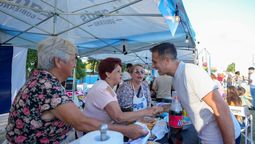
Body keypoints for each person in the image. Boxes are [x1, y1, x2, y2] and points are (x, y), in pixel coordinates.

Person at [5, 37, 148, 143]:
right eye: (74, 59)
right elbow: (81, 122)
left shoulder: (42, 80)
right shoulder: (46, 86)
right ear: (58, 61)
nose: (75, 65)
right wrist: (127, 130)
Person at [150, 42, 240, 144]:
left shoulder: (190, 72)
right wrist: (163, 108)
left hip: (223, 140)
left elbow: (220, 107)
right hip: (206, 137)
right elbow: (183, 103)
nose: (153, 66)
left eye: (155, 62)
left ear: (166, 60)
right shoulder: (175, 79)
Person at [84, 58, 162, 125]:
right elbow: (119, 117)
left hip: (103, 130)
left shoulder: (106, 87)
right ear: (108, 74)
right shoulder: (102, 89)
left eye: (142, 72)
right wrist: (146, 112)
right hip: (94, 134)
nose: (121, 74)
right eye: (118, 71)